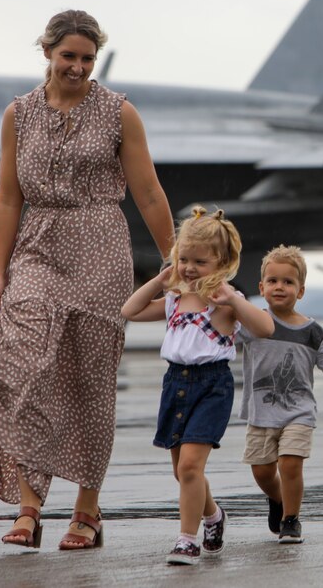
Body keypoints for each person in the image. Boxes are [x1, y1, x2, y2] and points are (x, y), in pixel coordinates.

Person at [0, 10, 176, 551]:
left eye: (87, 58)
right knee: (14, 362)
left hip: (101, 248)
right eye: (69, 56)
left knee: (89, 381)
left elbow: (149, 192)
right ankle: (29, 504)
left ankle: (86, 509)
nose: (79, 67)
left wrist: (174, 263)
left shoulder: (118, 113)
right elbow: (8, 197)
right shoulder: (18, 114)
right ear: (48, 53)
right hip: (37, 246)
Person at [121, 206, 274, 566]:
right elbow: (131, 310)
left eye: (199, 262)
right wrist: (160, 281)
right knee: (182, 471)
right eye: (183, 258)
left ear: (221, 262)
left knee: (190, 467)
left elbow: (265, 328)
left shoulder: (225, 302)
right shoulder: (175, 298)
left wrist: (234, 299)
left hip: (211, 386)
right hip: (175, 382)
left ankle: (186, 540)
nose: (189, 268)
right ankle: (214, 516)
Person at [236, 245, 323, 544]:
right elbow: (221, 334)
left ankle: (291, 519)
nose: (280, 287)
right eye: (273, 281)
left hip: (298, 411)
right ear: (261, 287)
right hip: (261, 412)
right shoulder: (252, 323)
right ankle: (277, 500)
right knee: (263, 471)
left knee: (290, 463)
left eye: (288, 282)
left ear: (301, 291)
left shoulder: (310, 330)